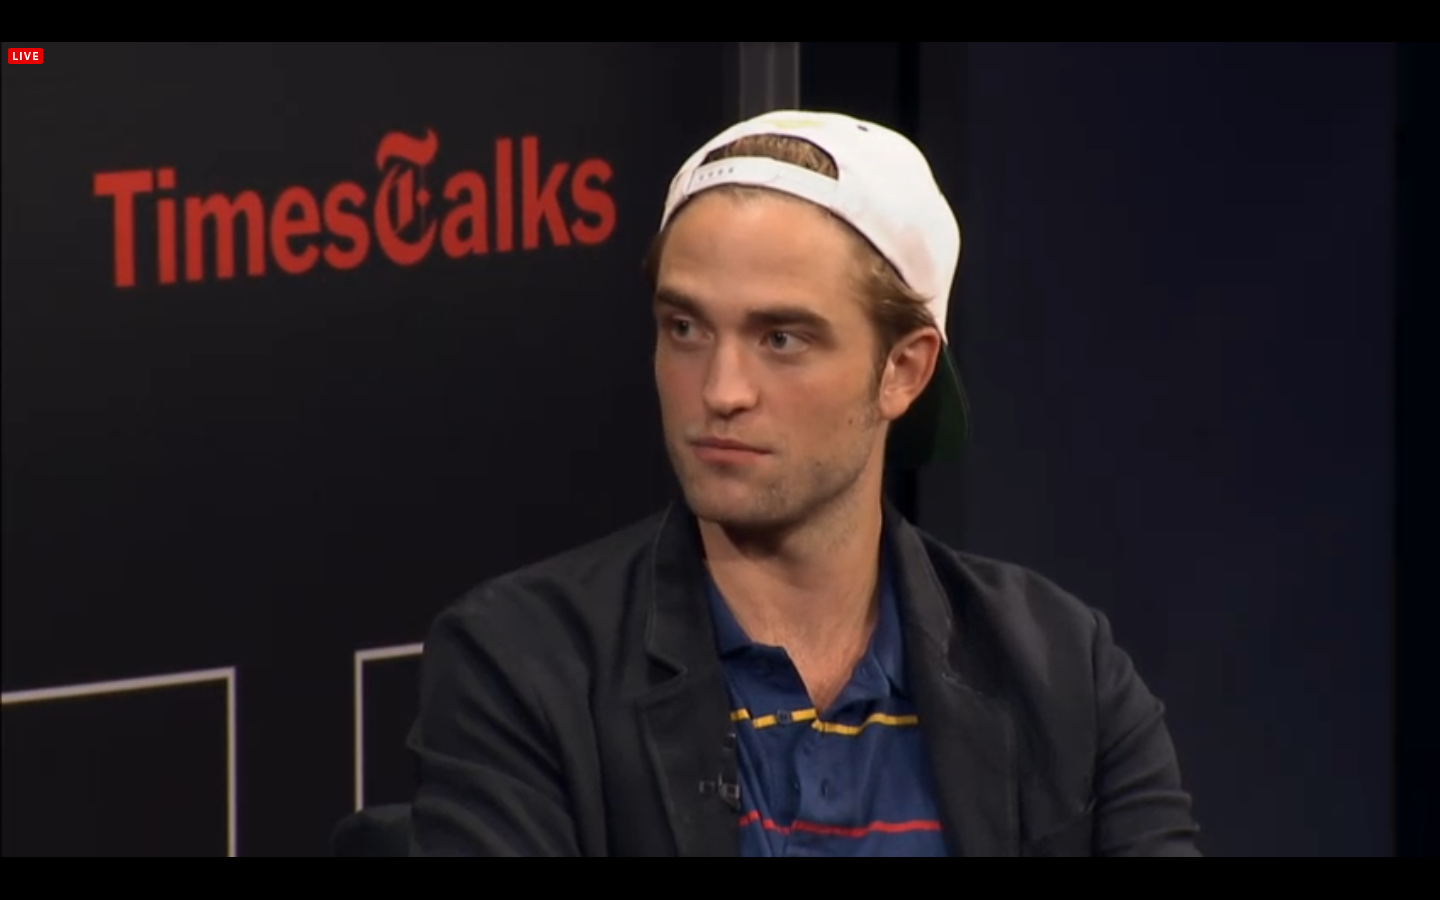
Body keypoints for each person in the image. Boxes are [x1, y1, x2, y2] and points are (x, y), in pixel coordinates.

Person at [405, 110, 1201, 857]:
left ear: (903, 369)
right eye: (685, 328)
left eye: (781, 338)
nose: (721, 390)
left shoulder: (1061, 673)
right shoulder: (526, 664)